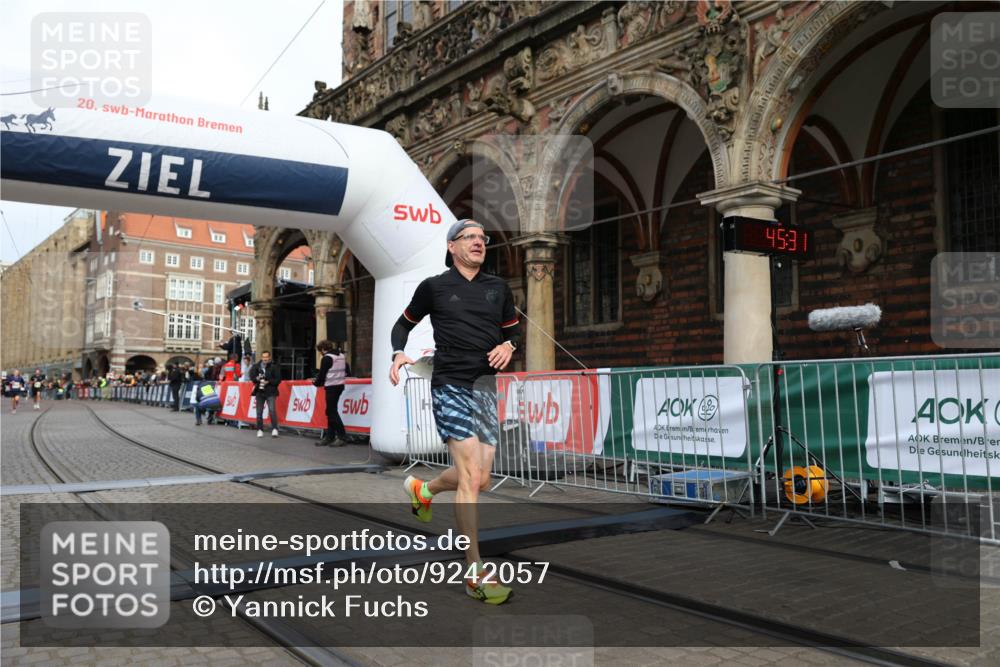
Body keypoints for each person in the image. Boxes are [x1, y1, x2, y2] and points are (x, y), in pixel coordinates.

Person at [389, 219, 519, 605]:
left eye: (483, 238)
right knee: (468, 477)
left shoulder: (499, 288)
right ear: (452, 246)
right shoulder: (434, 287)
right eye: (471, 238)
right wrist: (398, 352)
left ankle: (423, 489)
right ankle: (475, 571)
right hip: (450, 384)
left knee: (481, 480)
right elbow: (402, 325)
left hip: (485, 387)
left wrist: (510, 346)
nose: (479, 242)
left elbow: (512, 332)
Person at [313, 340, 350, 447]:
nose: (320, 353)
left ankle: (342, 436)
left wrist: (316, 383)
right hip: (340, 386)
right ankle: (329, 436)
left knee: (331, 411)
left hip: (331, 387)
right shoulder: (341, 356)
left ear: (323, 349)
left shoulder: (327, 358)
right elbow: (347, 370)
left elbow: (322, 374)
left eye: (320, 351)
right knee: (330, 411)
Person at [249, 351, 281, 438]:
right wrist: (256, 378)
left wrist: (269, 381)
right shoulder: (256, 366)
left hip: (271, 391)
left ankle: (275, 428)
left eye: (267, 357)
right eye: (263, 357)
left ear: (269, 357)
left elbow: (278, 380)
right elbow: (251, 376)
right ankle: (260, 429)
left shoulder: (274, 366)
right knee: (259, 412)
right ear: (261, 357)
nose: (265, 359)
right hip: (260, 391)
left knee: (272, 410)